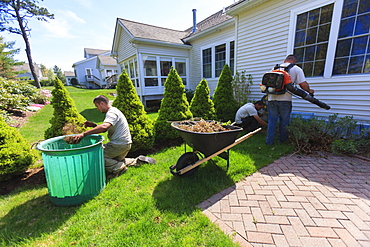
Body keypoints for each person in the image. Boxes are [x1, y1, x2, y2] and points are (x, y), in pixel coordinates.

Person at [72, 95, 156, 177]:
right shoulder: (114, 111)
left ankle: (118, 168)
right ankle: (137, 161)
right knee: (113, 160)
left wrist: (83, 134)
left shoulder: (111, 112)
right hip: (125, 144)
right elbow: (108, 126)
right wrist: (94, 125)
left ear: (102, 103)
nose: (97, 109)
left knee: (97, 155)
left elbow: (104, 127)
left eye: (96, 106)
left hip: (118, 145)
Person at [266, 54, 314, 145]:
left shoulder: (275, 68)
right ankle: (283, 140)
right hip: (285, 100)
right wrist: (309, 90)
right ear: (294, 61)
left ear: (285, 60)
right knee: (284, 121)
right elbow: (303, 84)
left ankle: (269, 141)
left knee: (272, 120)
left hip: (271, 98)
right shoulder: (296, 69)